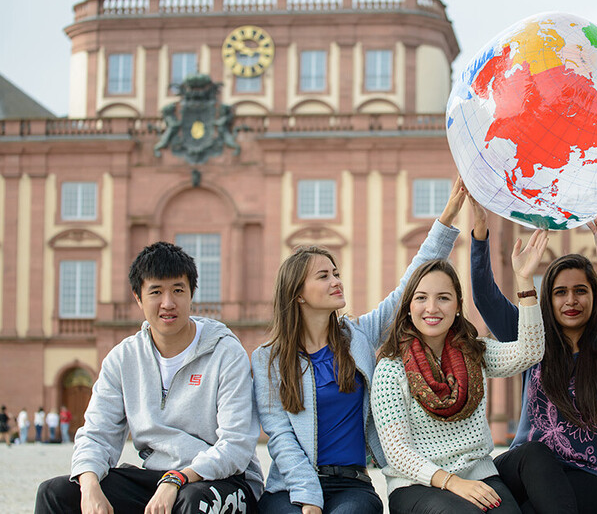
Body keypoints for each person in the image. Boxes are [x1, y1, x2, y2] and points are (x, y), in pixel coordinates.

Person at [251, 180, 466, 514]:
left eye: (336, 273)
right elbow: (280, 436)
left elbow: (406, 288)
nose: (337, 281)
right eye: (323, 276)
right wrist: (309, 499)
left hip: (352, 487)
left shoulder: (358, 336)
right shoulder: (268, 359)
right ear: (298, 294)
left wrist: (447, 218)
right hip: (291, 486)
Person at [35, 241, 263, 514]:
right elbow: (97, 435)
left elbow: (236, 445)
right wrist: (89, 484)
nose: (168, 303)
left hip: (224, 479)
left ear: (191, 294)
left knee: (194, 501)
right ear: (138, 297)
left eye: (178, 290)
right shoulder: (123, 359)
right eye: (156, 291)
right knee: (54, 492)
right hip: (157, 477)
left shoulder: (226, 353)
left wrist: (178, 479)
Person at [470, 201, 597, 513]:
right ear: (547, 298)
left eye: (581, 291)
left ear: (595, 296)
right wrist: (480, 233)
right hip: (525, 467)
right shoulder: (533, 341)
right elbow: (485, 298)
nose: (571, 300)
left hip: (591, 477)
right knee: (535, 455)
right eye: (560, 292)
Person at [371, 230, 548, 514]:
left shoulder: (474, 353)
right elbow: (397, 452)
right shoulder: (391, 369)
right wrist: (452, 482)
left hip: (478, 474)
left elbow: (531, 351)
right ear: (408, 307)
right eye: (421, 298)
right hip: (416, 484)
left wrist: (526, 281)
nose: (431, 308)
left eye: (443, 298)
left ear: (456, 307)